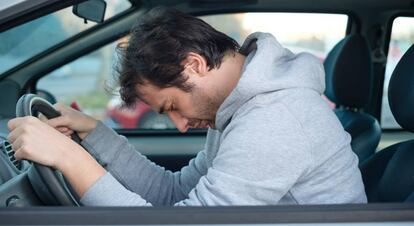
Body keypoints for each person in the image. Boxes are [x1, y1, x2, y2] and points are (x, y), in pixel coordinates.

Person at [7, 7, 367, 206]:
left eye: (171, 106)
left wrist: (70, 159)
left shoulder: (275, 120)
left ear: (194, 65)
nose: (180, 125)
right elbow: (173, 193)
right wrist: (95, 134)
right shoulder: (239, 111)